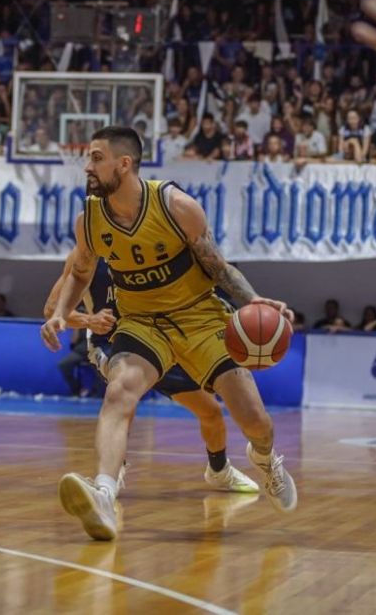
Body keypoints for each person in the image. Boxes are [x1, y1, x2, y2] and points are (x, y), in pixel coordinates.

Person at [41, 126, 296, 541]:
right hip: (142, 323)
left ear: (124, 164)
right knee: (120, 391)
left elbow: (218, 267)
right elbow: (81, 271)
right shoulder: (89, 219)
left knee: (254, 419)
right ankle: (103, 493)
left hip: (200, 318)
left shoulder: (176, 206)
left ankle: (265, 460)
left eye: (96, 158)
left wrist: (253, 301)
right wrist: (61, 314)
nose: (87, 166)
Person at [45, 252, 260, 494]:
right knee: (124, 393)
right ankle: (110, 477)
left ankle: (219, 470)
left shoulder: (151, 246)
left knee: (211, 413)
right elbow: (52, 309)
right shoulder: (86, 255)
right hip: (110, 343)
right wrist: (88, 320)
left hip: (159, 341)